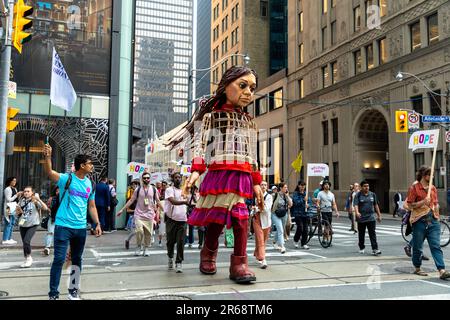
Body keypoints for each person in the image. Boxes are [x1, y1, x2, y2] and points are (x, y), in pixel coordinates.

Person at [183, 65, 264, 284]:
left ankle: (239, 264)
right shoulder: (211, 117)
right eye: (243, 85)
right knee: (217, 219)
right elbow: (200, 146)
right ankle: (208, 253)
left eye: (252, 88)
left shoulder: (249, 122)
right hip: (218, 173)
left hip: (241, 176)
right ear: (226, 85)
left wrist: (257, 182)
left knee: (241, 218)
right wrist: (196, 171)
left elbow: (253, 154)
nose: (248, 92)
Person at [43, 144, 102, 300]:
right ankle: (53, 294)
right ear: (82, 165)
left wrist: (97, 224)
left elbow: (92, 205)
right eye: (90, 163)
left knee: (77, 260)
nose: (92, 166)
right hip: (63, 226)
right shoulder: (67, 179)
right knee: (59, 259)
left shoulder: (90, 184)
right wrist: (48, 157)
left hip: (80, 228)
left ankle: (73, 291)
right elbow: (50, 172)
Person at [406, 166, 450, 280]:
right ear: (425, 175)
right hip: (419, 221)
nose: (433, 177)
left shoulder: (433, 188)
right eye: (431, 175)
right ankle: (417, 267)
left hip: (433, 221)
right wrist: (423, 202)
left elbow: (435, 204)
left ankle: (442, 270)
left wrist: (437, 214)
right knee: (417, 247)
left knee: (436, 246)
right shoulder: (414, 188)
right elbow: (410, 205)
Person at [117, 172, 163, 256]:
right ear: (142, 179)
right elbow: (131, 200)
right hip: (138, 214)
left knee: (148, 233)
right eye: (144, 178)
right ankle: (138, 247)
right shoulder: (137, 189)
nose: (146, 179)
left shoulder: (153, 189)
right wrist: (122, 210)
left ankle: (146, 248)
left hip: (149, 214)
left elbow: (158, 201)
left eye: (148, 178)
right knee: (139, 231)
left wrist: (164, 210)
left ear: (150, 179)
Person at [16, 187, 48, 267]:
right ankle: (26, 258)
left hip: (33, 224)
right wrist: (18, 211)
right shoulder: (21, 201)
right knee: (24, 243)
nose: (26, 193)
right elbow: (18, 212)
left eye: (28, 191)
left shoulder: (35, 201)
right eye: (25, 191)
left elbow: (45, 208)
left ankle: (29, 258)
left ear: (32, 193)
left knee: (27, 241)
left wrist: (39, 200)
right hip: (23, 224)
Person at [165, 172, 189, 273]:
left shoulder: (185, 190)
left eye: (179, 177)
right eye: (176, 177)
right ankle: (170, 257)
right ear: (172, 179)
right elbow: (172, 201)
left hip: (183, 220)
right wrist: (184, 202)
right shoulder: (169, 190)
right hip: (171, 220)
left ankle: (179, 262)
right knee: (170, 242)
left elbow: (191, 201)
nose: (178, 179)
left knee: (181, 242)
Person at [353, 180, 382, 255]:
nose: (367, 187)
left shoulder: (372, 194)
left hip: (371, 217)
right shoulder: (358, 195)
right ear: (361, 187)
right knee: (361, 234)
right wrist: (357, 212)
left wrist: (379, 215)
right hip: (361, 218)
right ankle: (361, 247)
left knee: (372, 233)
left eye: (368, 186)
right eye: (365, 186)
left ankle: (375, 249)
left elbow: (376, 205)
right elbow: (355, 205)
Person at [253, 181, 272, 268]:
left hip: (266, 221)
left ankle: (258, 254)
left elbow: (267, 209)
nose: (263, 186)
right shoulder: (256, 196)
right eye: (262, 185)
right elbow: (255, 208)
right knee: (260, 239)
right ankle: (263, 259)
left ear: (267, 187)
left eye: (265, 185)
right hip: (257, 220)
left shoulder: (269, 197)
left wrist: (257, 208)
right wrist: (255, 209)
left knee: (263, 241)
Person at [271, 183, 292, 254]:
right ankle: (282, 246)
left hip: (284, 214)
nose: (286, 188)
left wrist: (287, 196)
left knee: (281, 229)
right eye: (285, 187)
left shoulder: (285, 196)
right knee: (280, 229)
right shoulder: (274, 195)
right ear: (281, 188)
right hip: (275, 214)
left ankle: (274, 242)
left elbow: (291, 204)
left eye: (286, 187)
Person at [2, 177, 22, 245]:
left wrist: (18, 195)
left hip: (13, 206)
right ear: (9, 181)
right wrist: (17, 194)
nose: (14, 182)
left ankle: (9, 238)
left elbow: (16, 199)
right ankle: (5, 239)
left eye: (15, 181)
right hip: (9, 207)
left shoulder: (15, 189)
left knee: (12, 223)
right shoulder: (7, 189)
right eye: (13, 180)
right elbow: (8, 199)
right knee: (8, 223)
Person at [292, 181, 309, 249]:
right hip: (297, 213)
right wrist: (303, 200)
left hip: (305, 214)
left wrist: (308, 205)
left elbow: (309, 201)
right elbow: (296, 202)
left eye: (304, 186)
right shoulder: (296, 194)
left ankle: (304, 243)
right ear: (298, 186)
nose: (303, 187)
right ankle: (296, 240)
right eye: (301, 185)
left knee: (305, 229)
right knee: (300, 228)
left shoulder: (305, 193)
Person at [43, 186, 60, 256]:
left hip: (62, 219)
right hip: (52, 218)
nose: (58, 192)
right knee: (50, 232)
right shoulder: (51, 199)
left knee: (60, 234)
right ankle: (47, 247)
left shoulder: (65, 199)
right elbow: (48, 207)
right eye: (56, 191)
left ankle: (59, 248)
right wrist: (51, 212)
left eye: (59, 191)